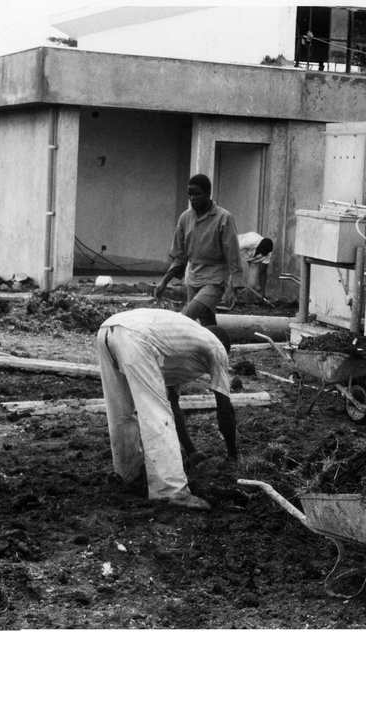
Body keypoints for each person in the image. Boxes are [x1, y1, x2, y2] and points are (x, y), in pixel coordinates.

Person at [95, 308, 238, 511]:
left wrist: (191, 451)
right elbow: (224, 407)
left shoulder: (180, 344)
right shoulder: (216, 347)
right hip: (137, 335)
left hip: (108, 329)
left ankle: (128, 473)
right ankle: (173, 491)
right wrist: (233, 455)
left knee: (120, 411)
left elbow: (174, 405)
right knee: (156, 413)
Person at [153, 173, 244, 326]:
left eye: (197, 194)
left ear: (208, 194)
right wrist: (164, 282)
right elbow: (180, 256)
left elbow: (233, 254)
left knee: (186, 318)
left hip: (215, 279)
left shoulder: (223, 218)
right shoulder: (185, 218)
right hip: (194, 277)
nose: (192, 198)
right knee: (207, 322)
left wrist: (235, 286)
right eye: (190, 195)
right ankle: (219, 347)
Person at [237, 232, 274, 300]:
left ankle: (246, 300)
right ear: (259, 246)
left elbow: (263, 271)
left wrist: (263, 291)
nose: (264, 254)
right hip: (240, 253)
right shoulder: (250, 241)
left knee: (252, 284)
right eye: (262, 252)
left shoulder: (267, 253)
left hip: (254, 261)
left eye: (265, 253)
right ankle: (229, 299)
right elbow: (232, 250)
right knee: (232, 278)